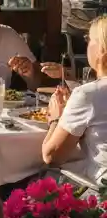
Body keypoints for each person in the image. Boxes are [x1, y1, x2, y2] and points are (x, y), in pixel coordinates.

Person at [43, 14, 107, 177]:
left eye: (90, 39)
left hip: (99, 191)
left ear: (101, 49)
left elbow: (51, 156)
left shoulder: (89, 94)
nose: (87, 44)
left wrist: (56, 119)